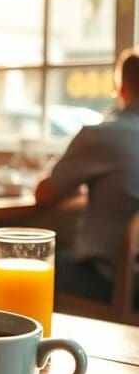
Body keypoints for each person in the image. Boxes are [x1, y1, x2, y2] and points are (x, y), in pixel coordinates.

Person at [35, 47, 139, 303]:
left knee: (24, 264)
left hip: (112, 281)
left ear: (122, 88)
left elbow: (44, 194)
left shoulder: (101, 136)